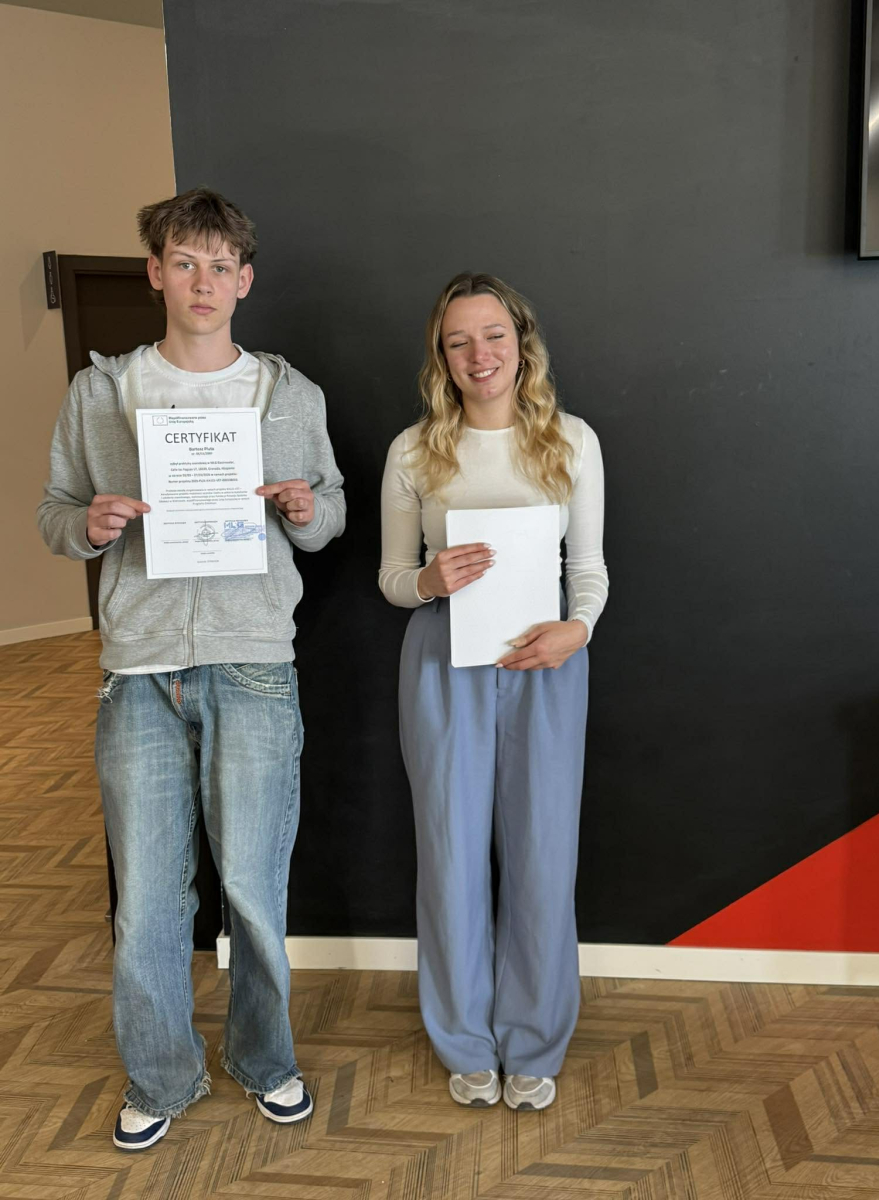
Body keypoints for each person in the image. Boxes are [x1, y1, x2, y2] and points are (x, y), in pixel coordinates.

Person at [37, 188, 345, 1150]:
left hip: (253, 664)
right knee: (146, 899)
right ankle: (162, 1076)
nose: (202, 282)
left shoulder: (290, 396)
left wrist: (306, 512)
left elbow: (331, 511)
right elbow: (56, 512)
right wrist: (88, 527)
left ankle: (266, 1060)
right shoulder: (102, 393)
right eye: (184, 262)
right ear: (155, 273)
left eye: (220, 266)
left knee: (252, 886)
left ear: (243, 281)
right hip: (139, 669)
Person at [379, 272, 608, 1111]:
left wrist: (578, 629)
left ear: (521, 343)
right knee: (450, 853)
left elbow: (589, 569)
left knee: (544, 852)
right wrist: (429, 580)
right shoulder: (414, 451)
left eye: (493, 335)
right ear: (442, 357)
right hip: (444, 663)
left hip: (548, 663)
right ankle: (465, 1039)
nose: (479, 355)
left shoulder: (570, 441)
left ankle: (535, 1038)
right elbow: (391, 578)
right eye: (459, 341)